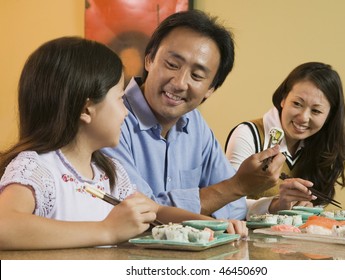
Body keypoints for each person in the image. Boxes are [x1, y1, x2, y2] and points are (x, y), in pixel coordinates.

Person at [0, 37, 247, 251]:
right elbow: (5, 226)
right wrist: (107, 231)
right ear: (87, 109)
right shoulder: (37, 168)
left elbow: (156, 211)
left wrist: (211, 224)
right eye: (119, 99)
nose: (126, 113)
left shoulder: (109, 172)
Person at [103, 9, 285, 220]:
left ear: (210, 89)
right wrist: (236, 186)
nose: (179, 83)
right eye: (172, 64)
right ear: (149, 60)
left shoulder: (194, 123)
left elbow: (234, 207)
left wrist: (231, 192)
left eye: (197, 75)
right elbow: (136, 213)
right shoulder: (111, 119)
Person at [225, 62, 345, 217]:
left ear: (329, 116)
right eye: (297, 104)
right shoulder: (248, 134)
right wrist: (276, 204)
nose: (303, 118)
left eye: (316, 111)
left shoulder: (321, 144)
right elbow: (227, 205)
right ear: (283, 99)